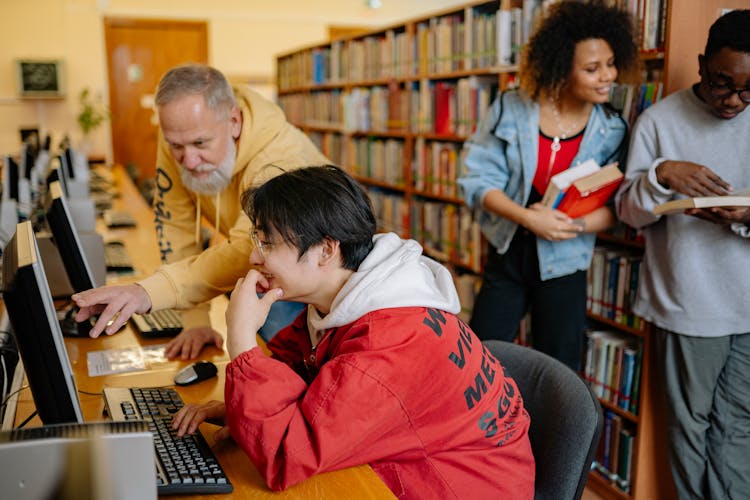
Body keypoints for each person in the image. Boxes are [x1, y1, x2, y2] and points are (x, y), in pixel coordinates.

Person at [171, 165, 535, 498]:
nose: (254, 257)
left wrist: (242, 342)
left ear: (326, 250)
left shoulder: (388, 341)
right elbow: (297, 372)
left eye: (267, 243)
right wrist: (241, 411)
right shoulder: (344, 302)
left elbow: (286, 455)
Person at [72, 64, 328, 358]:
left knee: (290, 364)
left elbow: (246, 249)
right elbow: (175, 226)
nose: (189, 160)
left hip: (312, 278)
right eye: (175, 145)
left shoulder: (280, 156)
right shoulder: (182, 134)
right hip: (269, 270)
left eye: (200, 143)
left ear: (233, 121)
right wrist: (195, 321)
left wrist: (149, 292)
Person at [457, 1, 639, 370]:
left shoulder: (612, 130)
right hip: (509, 249)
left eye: (610, 63)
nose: (608, 76)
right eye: (591, 69)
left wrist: (572, 226)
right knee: (478, 356)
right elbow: (476, 181)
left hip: (566, 261)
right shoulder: (511, 107)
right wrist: (529, 218)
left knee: (561, 366)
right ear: (560, 69)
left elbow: (618, 208)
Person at [615, 10, 750, 499]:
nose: (734, 100)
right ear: (700, 65)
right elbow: (629, 214)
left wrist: (743, 217)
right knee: (687, 431)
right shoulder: (659, 121)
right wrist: (660, 174)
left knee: (739, 428)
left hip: (747, 306)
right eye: (722, 84)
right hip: (687, 302)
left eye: (749, 89)